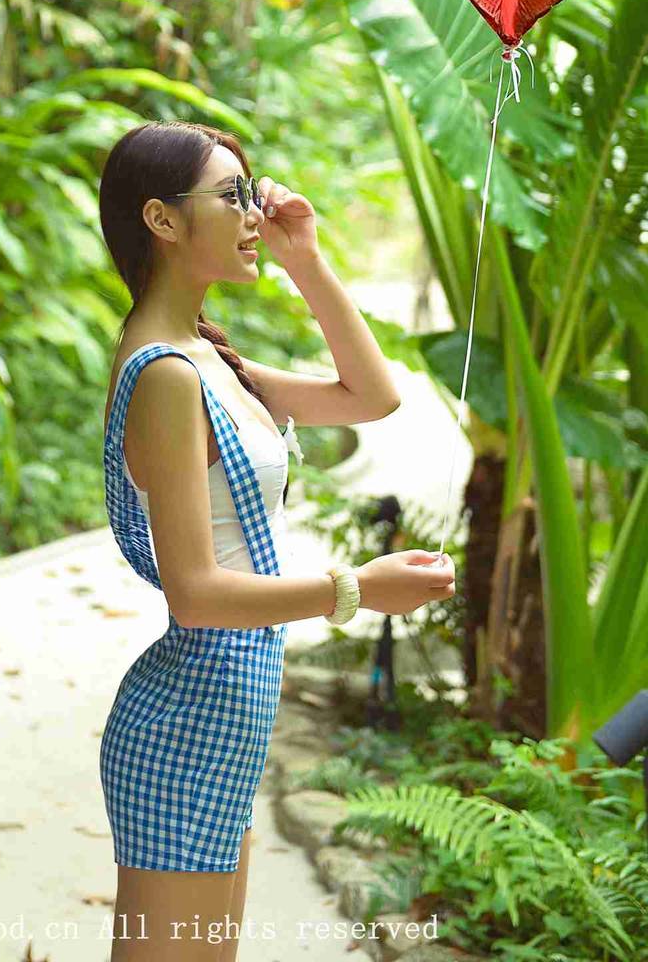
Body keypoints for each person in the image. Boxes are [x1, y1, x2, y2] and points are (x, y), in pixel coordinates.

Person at [96, 120, 456, 959]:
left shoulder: (210, 360)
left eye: (251, 193)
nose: (253, 212)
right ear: (161, 220)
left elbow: (372, 397)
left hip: (222, 719)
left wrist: (306, 262)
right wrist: (358, 589)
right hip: (184, 727)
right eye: (232, 196)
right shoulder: (167, 376)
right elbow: (197, 592)